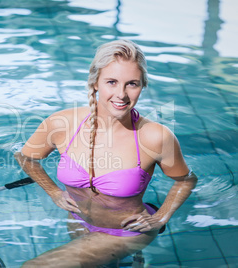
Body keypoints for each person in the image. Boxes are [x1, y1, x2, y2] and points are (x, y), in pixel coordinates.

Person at [14, 39, 197, 267]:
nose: (121, 94)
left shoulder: (155, 137)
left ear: (142, 86)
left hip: (126, 232)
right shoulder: (62, 124)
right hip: (78, 221)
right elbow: (26, 157)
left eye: (132, 84)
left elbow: (185, 180)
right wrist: (54, 192)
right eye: (112, 82)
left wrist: (161, 217)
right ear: (95, 83)